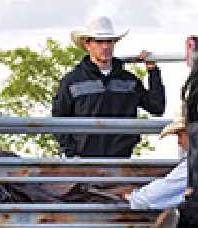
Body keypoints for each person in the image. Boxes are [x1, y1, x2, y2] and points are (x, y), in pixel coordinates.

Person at [52, 15, 166, 159]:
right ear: (87, 44)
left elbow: (157, 107)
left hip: (122, 160)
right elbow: (58, 119)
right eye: (99, 42)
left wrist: (153, 71)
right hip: (83, 162)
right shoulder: (71, 81)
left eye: (109, 41)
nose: (105, 46)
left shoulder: (129, 81)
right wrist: (71, 152)